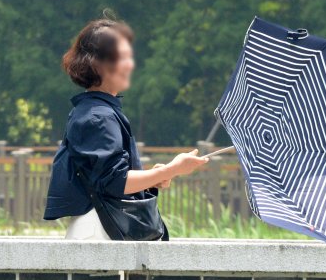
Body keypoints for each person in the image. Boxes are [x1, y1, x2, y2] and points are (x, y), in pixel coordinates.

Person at [43, 18, 208, 239]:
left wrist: (155, 176)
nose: (130, 64)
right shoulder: (98, 117)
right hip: (100, 231)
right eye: (123, 57)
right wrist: (170, 170)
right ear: (98, 64)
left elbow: (108, 178)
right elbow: (114, 182)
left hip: (101, 228)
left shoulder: (96, 111)